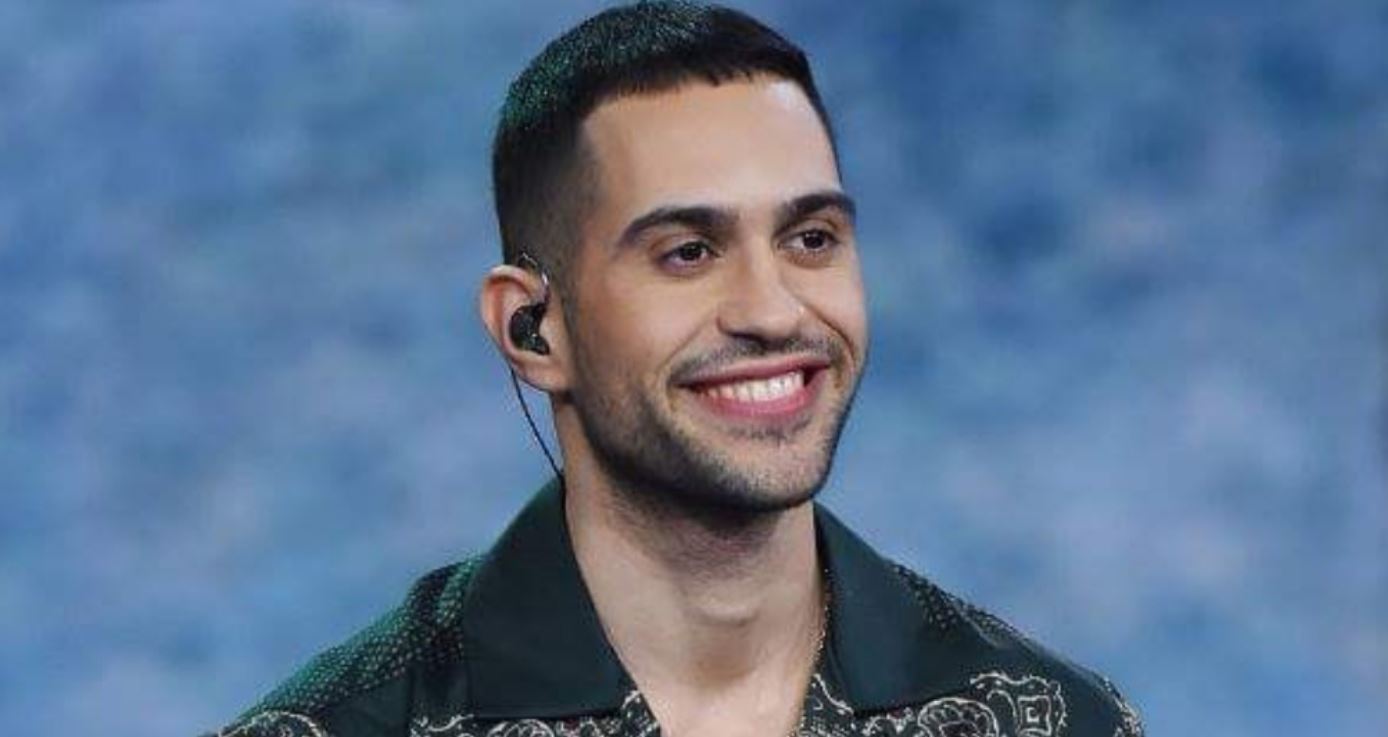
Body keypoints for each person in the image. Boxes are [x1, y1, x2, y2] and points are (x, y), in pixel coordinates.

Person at [210, 3, 1143, 736]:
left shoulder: (1055, 720)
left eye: (811, 238)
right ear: (533, 328)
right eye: (688, 252)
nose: (773, 310)